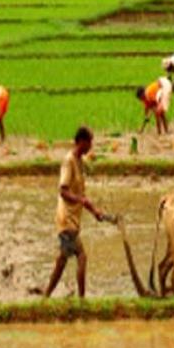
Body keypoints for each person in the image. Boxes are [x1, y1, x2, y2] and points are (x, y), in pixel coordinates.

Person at [41, 126, 109, 299]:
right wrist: (81, 201)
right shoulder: (69, 161)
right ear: (81, 142)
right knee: (81, 257)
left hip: (72, 220)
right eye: (89, 142)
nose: (91, 146)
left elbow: (81, 195)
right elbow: (63, 191)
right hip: (66, 220)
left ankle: (46, 296)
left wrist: (94, 211)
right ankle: (81, 299)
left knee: (62, 260)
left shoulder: (79, 162)